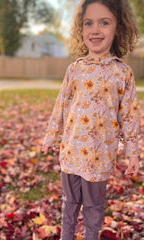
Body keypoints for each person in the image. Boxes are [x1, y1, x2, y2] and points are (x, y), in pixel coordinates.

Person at [42, 0, 140, 239]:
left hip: (100, 155)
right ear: (81, 28)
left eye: (104, 22)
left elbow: (129, 115)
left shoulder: (122, 73)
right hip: (71, 151)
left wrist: (133, 152)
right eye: (89, 23)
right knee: (70, 203)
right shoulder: (75, 70)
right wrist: (51, 136)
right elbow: (61, 106)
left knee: (94, 206)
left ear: (118, 29)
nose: (95, 30)